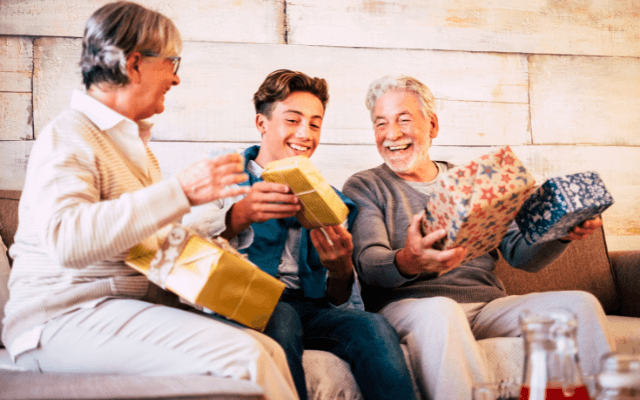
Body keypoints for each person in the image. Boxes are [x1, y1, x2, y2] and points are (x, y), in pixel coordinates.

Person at [1, 3, 298, 399]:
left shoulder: (135, 149)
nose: (176, 77)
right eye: (172, 62)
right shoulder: (68, 134)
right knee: (247, 358)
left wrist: (222, 271)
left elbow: (145, 248)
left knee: (269, 350)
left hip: (108, 310)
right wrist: (182, 192)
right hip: (58, 319)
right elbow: (66, 239)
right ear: (135, 64)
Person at [342, 74, 616, 400]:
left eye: (404, 120)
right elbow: (369, 265)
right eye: (380, 123)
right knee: (442, 310)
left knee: (579, 305)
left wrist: (560, 235)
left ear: (432, 125)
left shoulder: (475, 181)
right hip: (410, 308)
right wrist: (409, 260)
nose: (392, 134)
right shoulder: (365, 186)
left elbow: (519, 254)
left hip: (488, 306)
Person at [183, 69, 417, 400]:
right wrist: (239, 216)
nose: (305, 133)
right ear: (262, 124)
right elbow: (184, 251)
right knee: (282, 317)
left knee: (372, 327)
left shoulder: (335, 202)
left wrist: (340, 269)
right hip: (236, 298)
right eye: (293, 120)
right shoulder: (222, 174)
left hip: (308, 308)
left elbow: (339, 300)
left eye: (315, 123)